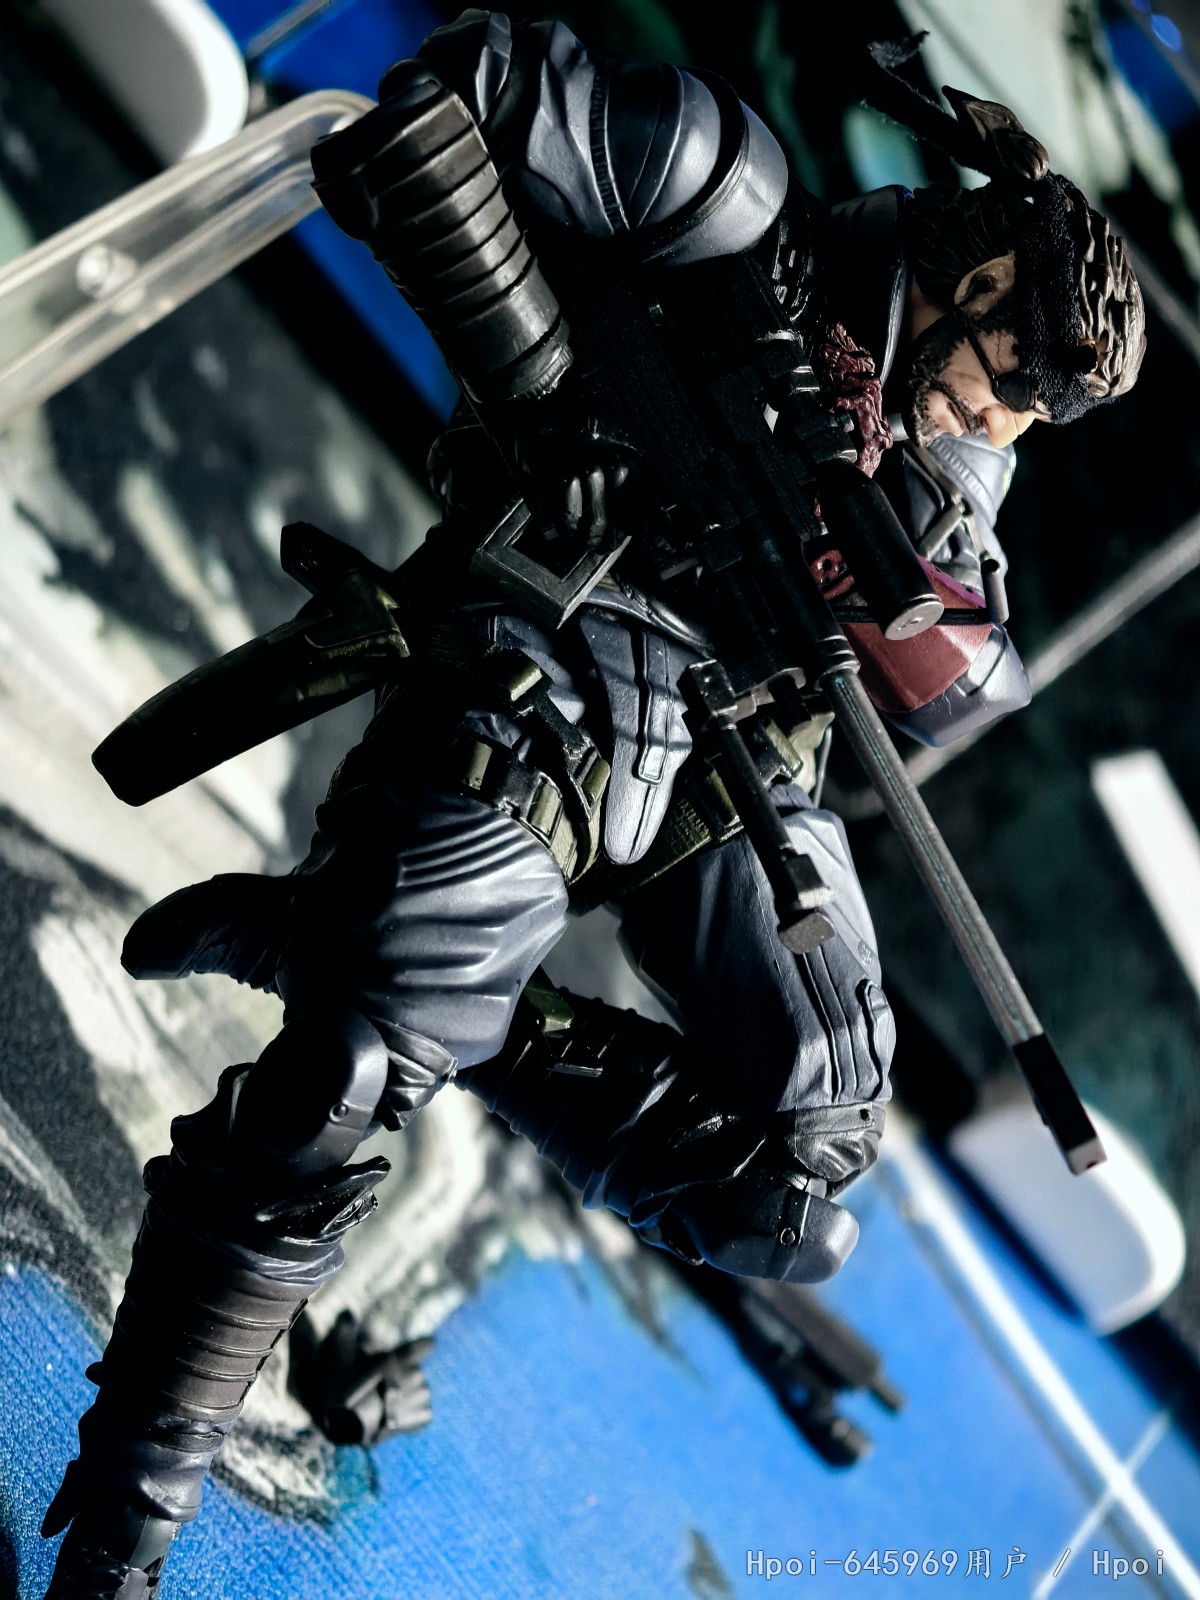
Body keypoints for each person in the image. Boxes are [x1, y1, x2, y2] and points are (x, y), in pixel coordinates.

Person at [41, 12, 1145, 1596]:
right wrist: (561, 397)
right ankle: (129, 1516)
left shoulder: (954, 454)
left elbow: (966, 676)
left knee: (800, 1183)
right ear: (976, 283)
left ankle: (356, 951)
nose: (1005, 425)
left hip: (740, 750)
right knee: (353, 1066)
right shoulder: (737, 207)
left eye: (1030, 416)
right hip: (575, 626)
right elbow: (441, 104)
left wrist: (871, 529)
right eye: (1009, 385)